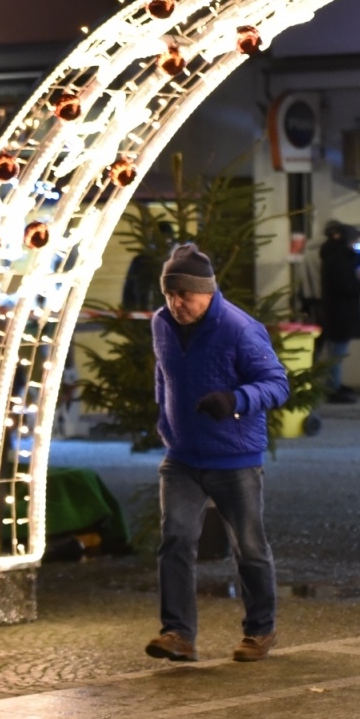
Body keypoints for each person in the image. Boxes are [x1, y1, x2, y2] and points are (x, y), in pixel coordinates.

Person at [144, 243, 290, 665]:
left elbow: (277, 384)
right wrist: (165, 422)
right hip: (182, 457)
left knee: (249, 547)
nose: (176, 303)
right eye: (170, 294)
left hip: (234, 457)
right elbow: (163, 374)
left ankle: (260, 630)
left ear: (207, 292)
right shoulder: (161, 323)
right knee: (175, 539)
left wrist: (235, 400)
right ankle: (177, 634)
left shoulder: (240, 329)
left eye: (185, 295)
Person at [318, 221, 360, 403]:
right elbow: (346, 285)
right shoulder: (338, 260)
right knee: (337, 353)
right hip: (340, 314)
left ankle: (336, 384)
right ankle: (333, 388)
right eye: (352, 242)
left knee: (336, 351)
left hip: (335, 312)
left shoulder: (332, 256)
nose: (354, 245)